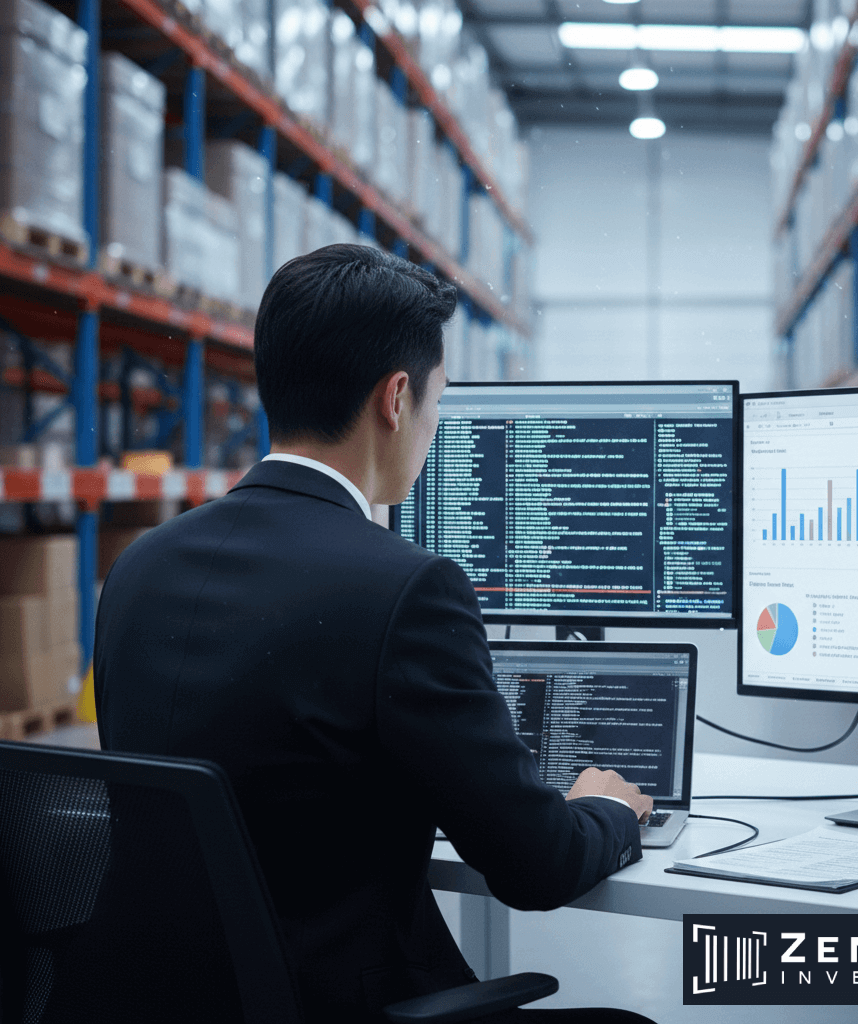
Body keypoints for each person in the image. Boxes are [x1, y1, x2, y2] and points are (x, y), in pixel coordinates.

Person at [94, 245, 657, 1024]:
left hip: (149, 999)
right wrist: (605, 812)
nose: (434, 426)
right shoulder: (407, 588)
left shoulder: (139, 565)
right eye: (438, 402)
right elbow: (538, 868)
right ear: (396, 398)